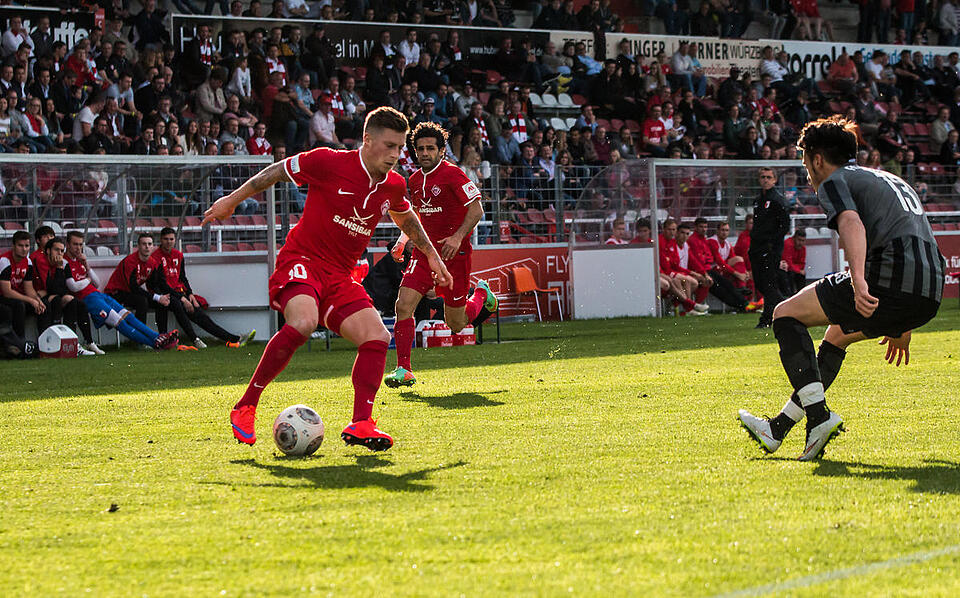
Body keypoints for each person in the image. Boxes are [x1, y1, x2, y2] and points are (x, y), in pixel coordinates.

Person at [203, 107, 452, 451]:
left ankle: (362, 423)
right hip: (301, 261)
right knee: (303, 322)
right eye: (389, 146)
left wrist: (432, 255)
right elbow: (277, 170)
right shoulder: (328, 162)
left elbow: (405, 218)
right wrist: (231, 200)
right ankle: (246, 405)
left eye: (399, 148)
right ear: (367, 140)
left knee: (377, 336)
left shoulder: (393, 184)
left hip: (340, 275)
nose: (395, 155)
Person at [738, 117, 945, 461]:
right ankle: (777, 429)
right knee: (836, 335)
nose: (807, 172)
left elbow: (850, 222)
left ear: (817, 159)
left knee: (784, 315)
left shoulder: (835, 180)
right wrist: (903, 320)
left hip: (888, 278)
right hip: (929, 290)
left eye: (805, 163)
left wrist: (859, 279)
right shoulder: (888, 178)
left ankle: (819, 418)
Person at [384, 122, 498, 388]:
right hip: (426, 254)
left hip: (454, 256)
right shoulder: (413, 180)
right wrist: (403, 240)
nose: (425, 153)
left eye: (430, 148)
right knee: (403, 304)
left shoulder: (453, 174)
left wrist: (458, 237)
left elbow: (477, 210)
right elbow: (417, 216)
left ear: (441, 151)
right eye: (420, 149)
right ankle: (404, 369)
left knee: (456, 325)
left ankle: (482, 295)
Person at [62, 231, 180, 351]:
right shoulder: (64, 262)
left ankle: (158, 337)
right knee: (119, 322)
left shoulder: (80, 260)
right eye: (75, 244)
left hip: (99, 295)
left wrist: (86, 265)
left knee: (129, 318)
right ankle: (155, 343)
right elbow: (73, 287)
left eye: (80, 244)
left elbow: (96, 283)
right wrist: (88, 279)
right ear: (67, 244)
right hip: (89, 299)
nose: (78, 248)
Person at [151, 228, 255, 348]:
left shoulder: (178, 255)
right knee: (178, 305)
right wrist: (182, 299)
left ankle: (235, 339)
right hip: (164, 294)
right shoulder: (155, 257)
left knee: (200, 316)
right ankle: (194, 339)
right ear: (161, 240)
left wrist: (190, 294)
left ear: (175, 240)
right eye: (166, 239)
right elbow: (162, 284)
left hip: (179, 293)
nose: (169, 242)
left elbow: (182, 278)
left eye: (171, 239)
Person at [32, 237, 99, 356]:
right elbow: (49, 286)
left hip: (52, 296)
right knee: (57, 301)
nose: (60, 254)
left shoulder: (63, 263)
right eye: (56, 250)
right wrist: (58, 269)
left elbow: (63, 288)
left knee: (76, 302)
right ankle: (52, 345)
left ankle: (85, 342)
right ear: (48, 251)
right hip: (36, 298)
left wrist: (53, 291)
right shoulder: (41, 261)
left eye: (62, 251)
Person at [750, 168, 790, 328]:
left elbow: (784, 225)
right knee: (761, 283)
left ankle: (766, 319)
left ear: (774, 180)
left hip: (769, 248)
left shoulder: (777, 200)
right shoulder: (758, 200)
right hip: (756, 247)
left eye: (768, 177)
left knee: (768, 283)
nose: (765, 180)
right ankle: (787, 306)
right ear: (759, 180)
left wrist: (773, 243)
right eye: (763, 177)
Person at [0, 230, 44, 338]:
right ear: (13, 246)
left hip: (16, 297)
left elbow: (29, 289)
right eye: (20, 245)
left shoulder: (28, 262)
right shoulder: (4, 261)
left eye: (27, 246)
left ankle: (45, 342)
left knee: (44, 305)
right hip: (2, 297)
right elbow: (7, 292)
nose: (24, 249)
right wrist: (30, 300)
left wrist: (38, 300)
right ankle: (19, 343)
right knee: (19, 305)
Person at [779, 229, 807, 295]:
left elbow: (802, 263)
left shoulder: (803, 248)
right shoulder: (788, 244)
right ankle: (790, 295)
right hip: (784, 269)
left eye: (803, 241)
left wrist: (798, 270)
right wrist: (798, 270)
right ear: (794, 238)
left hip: (793, 269)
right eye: (799, 240)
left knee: (801, 275)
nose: (800, 243)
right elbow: (788, 262)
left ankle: (801, 295)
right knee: (791, 274)